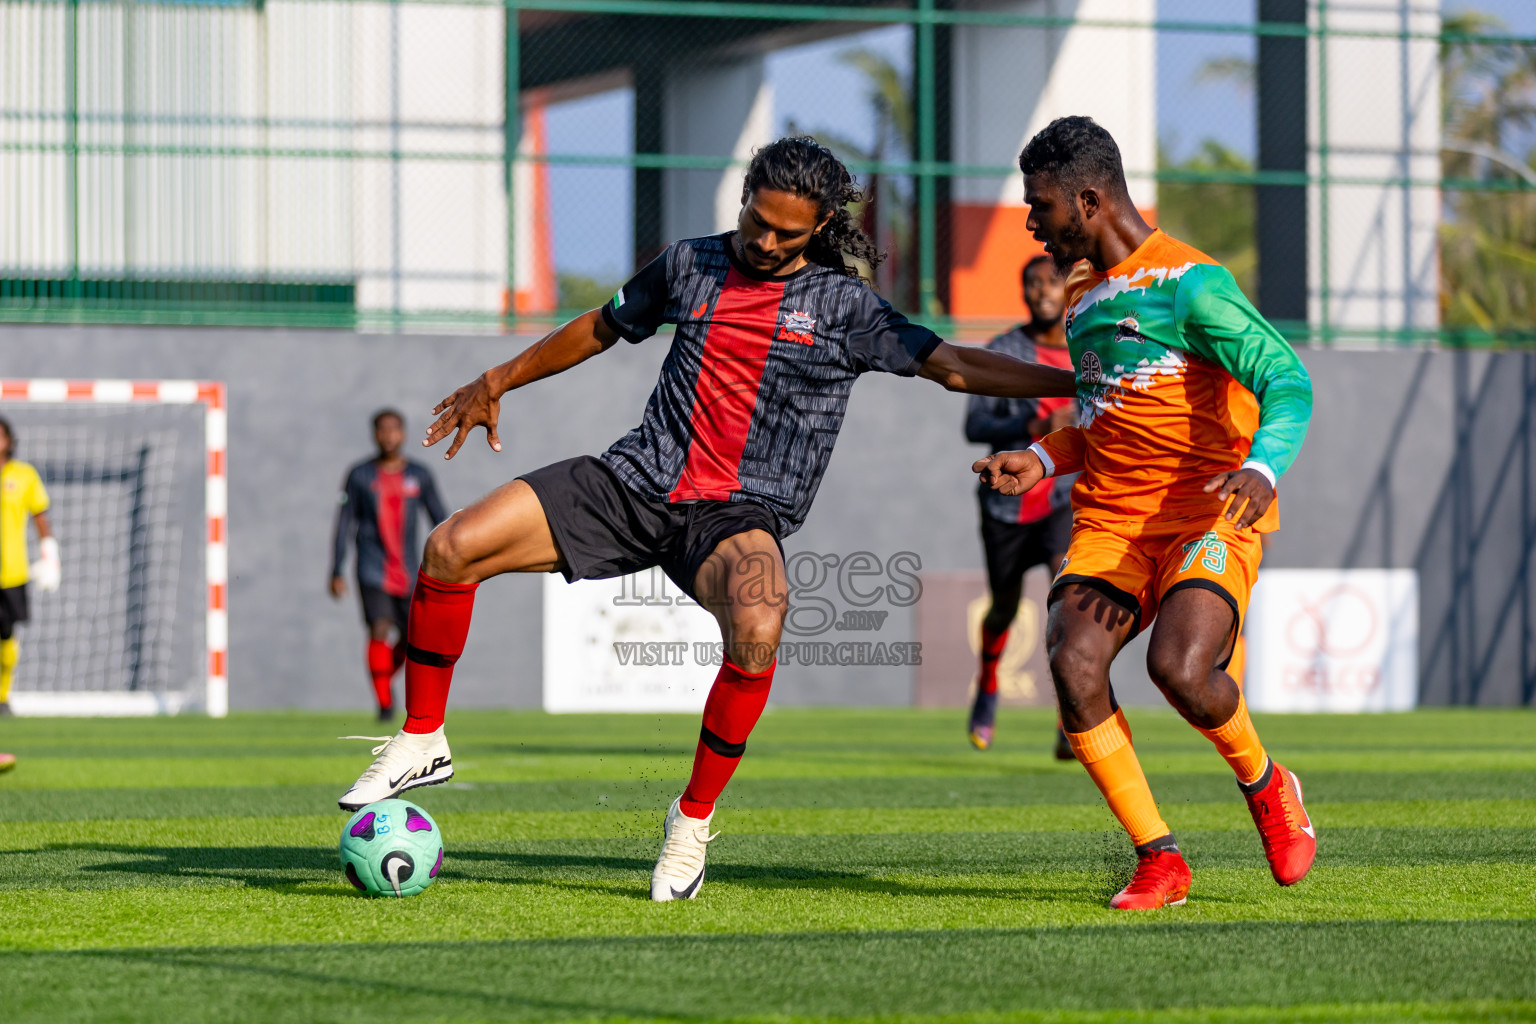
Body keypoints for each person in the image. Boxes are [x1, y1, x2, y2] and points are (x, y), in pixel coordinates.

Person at [336, 136, 1078, 902]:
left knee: (761, 623)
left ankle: (690, 821)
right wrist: (499, 379)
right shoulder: (689, 265)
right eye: (757, 220)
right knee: (453, 546)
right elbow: (597, 327)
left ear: (819, 227)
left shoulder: (845, 307)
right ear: (746, 199)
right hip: (636, 480)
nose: (764, 241)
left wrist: (1071, 376)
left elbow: (953, 365)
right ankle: (423, 735)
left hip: (736, 515)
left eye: (787, 234)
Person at [974, 116, 1316, 910]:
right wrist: (1043, 457)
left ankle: (1267, 784)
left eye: (1040, 206)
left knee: (1181, 671)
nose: (1032, 223)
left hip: (1207, 513)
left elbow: (1287, 380)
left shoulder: (1194, 285)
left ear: (1088, 200)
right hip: (1112, 523)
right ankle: (1159, 857)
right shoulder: (1084, 299)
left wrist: (1263, 467)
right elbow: (1102, 424)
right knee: (1072, 663)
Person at [962, 254, 1078, 757]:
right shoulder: (1006, 349)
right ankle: (987, 685)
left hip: (1062, 501)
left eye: (1052, 281)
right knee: (1005, 607)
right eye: (1032, 282)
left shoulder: (1085, 345)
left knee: (1066, 604)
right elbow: (974, 426)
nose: (1042, 291)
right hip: (1007, 507)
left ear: (1068, 287)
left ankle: (1070, 718)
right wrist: (1027, 432)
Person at [330, 409, 448, 721]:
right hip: (371, 569)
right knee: (379, 628)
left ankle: (385, 678)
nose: (388, 436)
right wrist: (336, 569)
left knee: (414, 639)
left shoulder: (419, 475)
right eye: (382, 430)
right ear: (374, 435)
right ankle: (384, 703)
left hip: (409, 571)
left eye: (394, 430)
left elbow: (440, 519)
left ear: (404, 433)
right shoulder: (359, 475)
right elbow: (343, 522)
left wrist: (456, 554)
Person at [0, 417, 60, 720]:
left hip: (11, 572)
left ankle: (2, 697)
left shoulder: (23, 476)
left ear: (9, 440)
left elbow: (39, 514)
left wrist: (50, 553)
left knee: (6, 637)